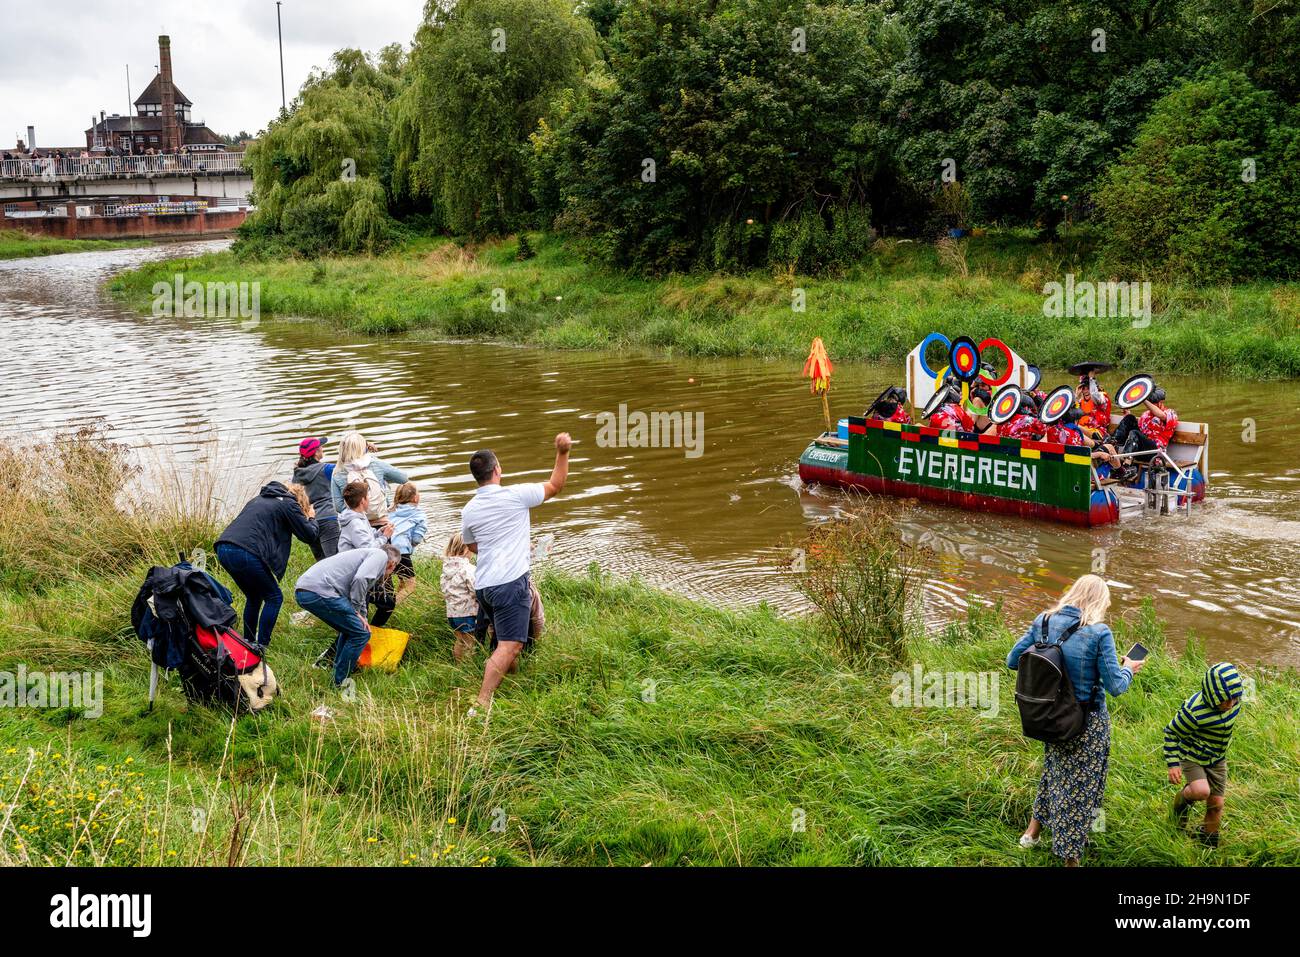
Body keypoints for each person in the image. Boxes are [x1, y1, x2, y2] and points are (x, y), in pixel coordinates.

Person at [1007, 574, 1144, 866]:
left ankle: (1032, 834)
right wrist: (1129, 668)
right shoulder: (1098, 633)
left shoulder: (1043, 621)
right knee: (1079, 789)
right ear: (1099, 602)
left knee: (1053, 772)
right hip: (1085, 724)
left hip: (1048, 716)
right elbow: (1116, 686)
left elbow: (1012, 660)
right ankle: (1071, 859)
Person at [461, 433, 572, 717]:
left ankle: (512, 688)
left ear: (477, 477)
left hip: (484, 585)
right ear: (497, 470)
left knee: (504, 641)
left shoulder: (469, 509)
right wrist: (562, 452)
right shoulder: (516, 495)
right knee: (511, 645)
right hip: (510, 583)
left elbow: (472, 545)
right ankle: (482, 701)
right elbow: (556, 485)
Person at [214, 481, 318, 648]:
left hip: (223, 547)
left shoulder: (258, 499)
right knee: (274, 597)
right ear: (300, 501)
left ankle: (248, 641)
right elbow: (309, 535)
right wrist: (311, 517)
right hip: (245, 551)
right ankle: (261, 646)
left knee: (254, 596)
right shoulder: (289, 503)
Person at [295, 545, 400, 688]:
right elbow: (360, 579)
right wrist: (355, 612)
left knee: (353, 629)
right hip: (319, 590)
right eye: (394, 569)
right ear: (392, 564)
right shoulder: (380, 556)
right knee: (361, 634)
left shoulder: (368, 555)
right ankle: (339, 682)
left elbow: (361, 594)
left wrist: (363, 618)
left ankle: (337, 675)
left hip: (307, 590)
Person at [1165, 662, 1243, 848]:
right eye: (1225, 700)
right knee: (1201, 791)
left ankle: (1208, 845)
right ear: (1212, 695)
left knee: (1216, 804)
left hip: (1217, 757)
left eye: (1234, 698)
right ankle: (1181, 802)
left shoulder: (1235, 699)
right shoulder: (1194, 711)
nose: (1230, 705)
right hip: (1193, 756)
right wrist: (1173, 764)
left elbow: (1243, 688)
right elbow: (1171, 732)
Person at [336, 480, 398, 629]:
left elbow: (368, 538)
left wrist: (379, 532)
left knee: (385, 604)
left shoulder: (359, 516)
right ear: (363, 500)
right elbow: (368, 549)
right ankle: (359, 638)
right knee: (378, 607)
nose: (369, 499)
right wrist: (384, 537)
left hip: (362, 570)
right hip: (355, 574)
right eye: (368, 497)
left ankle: (368, 634)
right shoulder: (354, 523)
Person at [329, 431, 407, 530]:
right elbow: (403, 478)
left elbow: (338, 506)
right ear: (364, 448)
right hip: (382, 524)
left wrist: (360, 512)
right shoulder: (375, 464)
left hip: (355, 526)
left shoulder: (338, 473)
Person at [1109, 387, 1178, 479]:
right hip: (1142, 448)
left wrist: (1142, 399)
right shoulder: (1145, 415)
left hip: (1155, 451)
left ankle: (1126, 466)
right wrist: (1127, 414)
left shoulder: (1170, 413)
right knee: (1130, 418)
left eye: (1151, 403)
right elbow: (1139, 432)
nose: (1149, 406)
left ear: (1160, 402)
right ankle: (1110, 447)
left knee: (1135, 433)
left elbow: (1161, 415)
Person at [292, 436, 339, 559]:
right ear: (316, 452)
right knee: (336, 560)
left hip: (310, 521)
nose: (323, 449)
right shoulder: (327, 469)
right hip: (329, 518)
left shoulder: (297, 474)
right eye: (321, 447)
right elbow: (348, 466)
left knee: (322, 564)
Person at [441, 532, 479, 664]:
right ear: (467, 548)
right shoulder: (468, 569)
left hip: (452, 613)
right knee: (470, 642)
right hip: (467, 612)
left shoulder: (446, 569)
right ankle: (469, 667)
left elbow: (445, 590)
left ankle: (458, 664)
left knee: (460, 641)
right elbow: (476, 590)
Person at [388, 482, 428, 603]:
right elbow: (416, 539)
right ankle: (391, 607)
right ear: (415, 498)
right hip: (400, 550)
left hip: (385, 547)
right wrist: (411, 546)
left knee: (401, 580)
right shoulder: (419, 514)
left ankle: (393, 607)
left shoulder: (391, 510)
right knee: (411, 584)